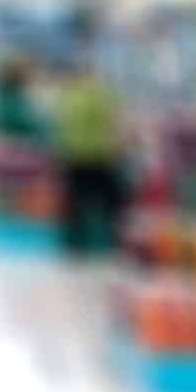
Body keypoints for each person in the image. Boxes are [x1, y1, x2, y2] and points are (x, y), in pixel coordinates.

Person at [50, 56, 126, 257]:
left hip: (73, 155)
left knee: (75, 201)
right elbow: (114, 125)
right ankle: (111, 243)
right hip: (100, 155)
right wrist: (117, 147)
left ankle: (75, 245)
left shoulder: (68, 97)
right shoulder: (103, 95)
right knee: (110, 201)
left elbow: (60, 126)